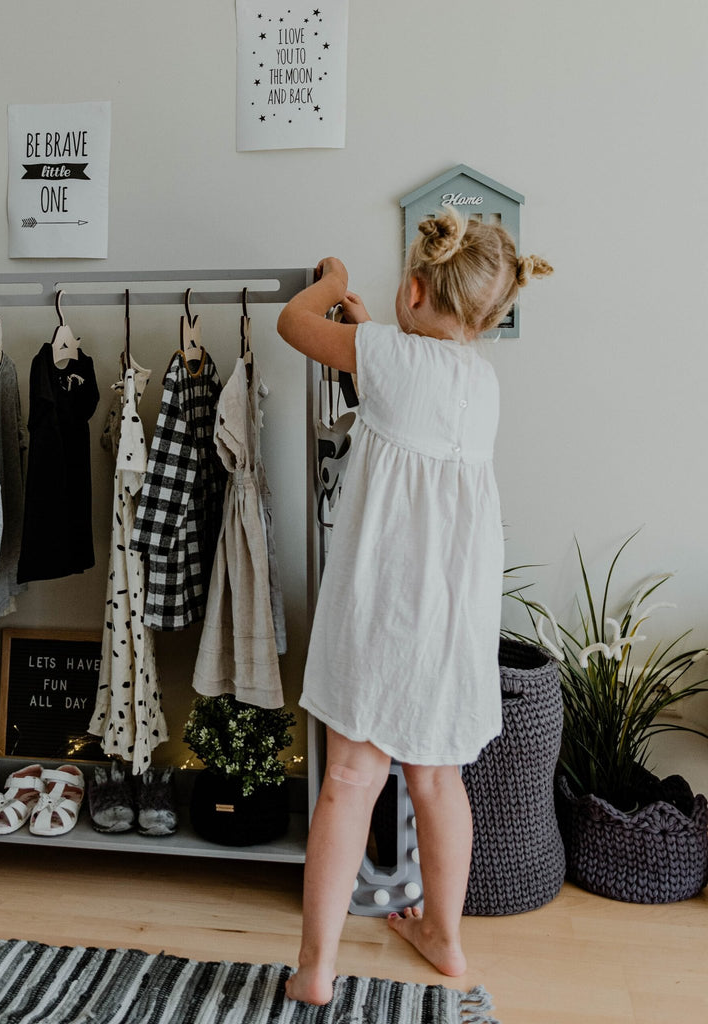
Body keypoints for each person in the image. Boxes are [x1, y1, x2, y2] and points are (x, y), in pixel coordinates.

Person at [277, 206, 553, 1005]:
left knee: (351, 780)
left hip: (378, 606)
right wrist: (376, 333)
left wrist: (330, 286)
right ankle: (446, 938)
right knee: (438, 780)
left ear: (412, 287)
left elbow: (297, 324)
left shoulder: (385, 357)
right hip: (451, 620)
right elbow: (408, 382)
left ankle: (316, 968)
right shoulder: (482, 383)